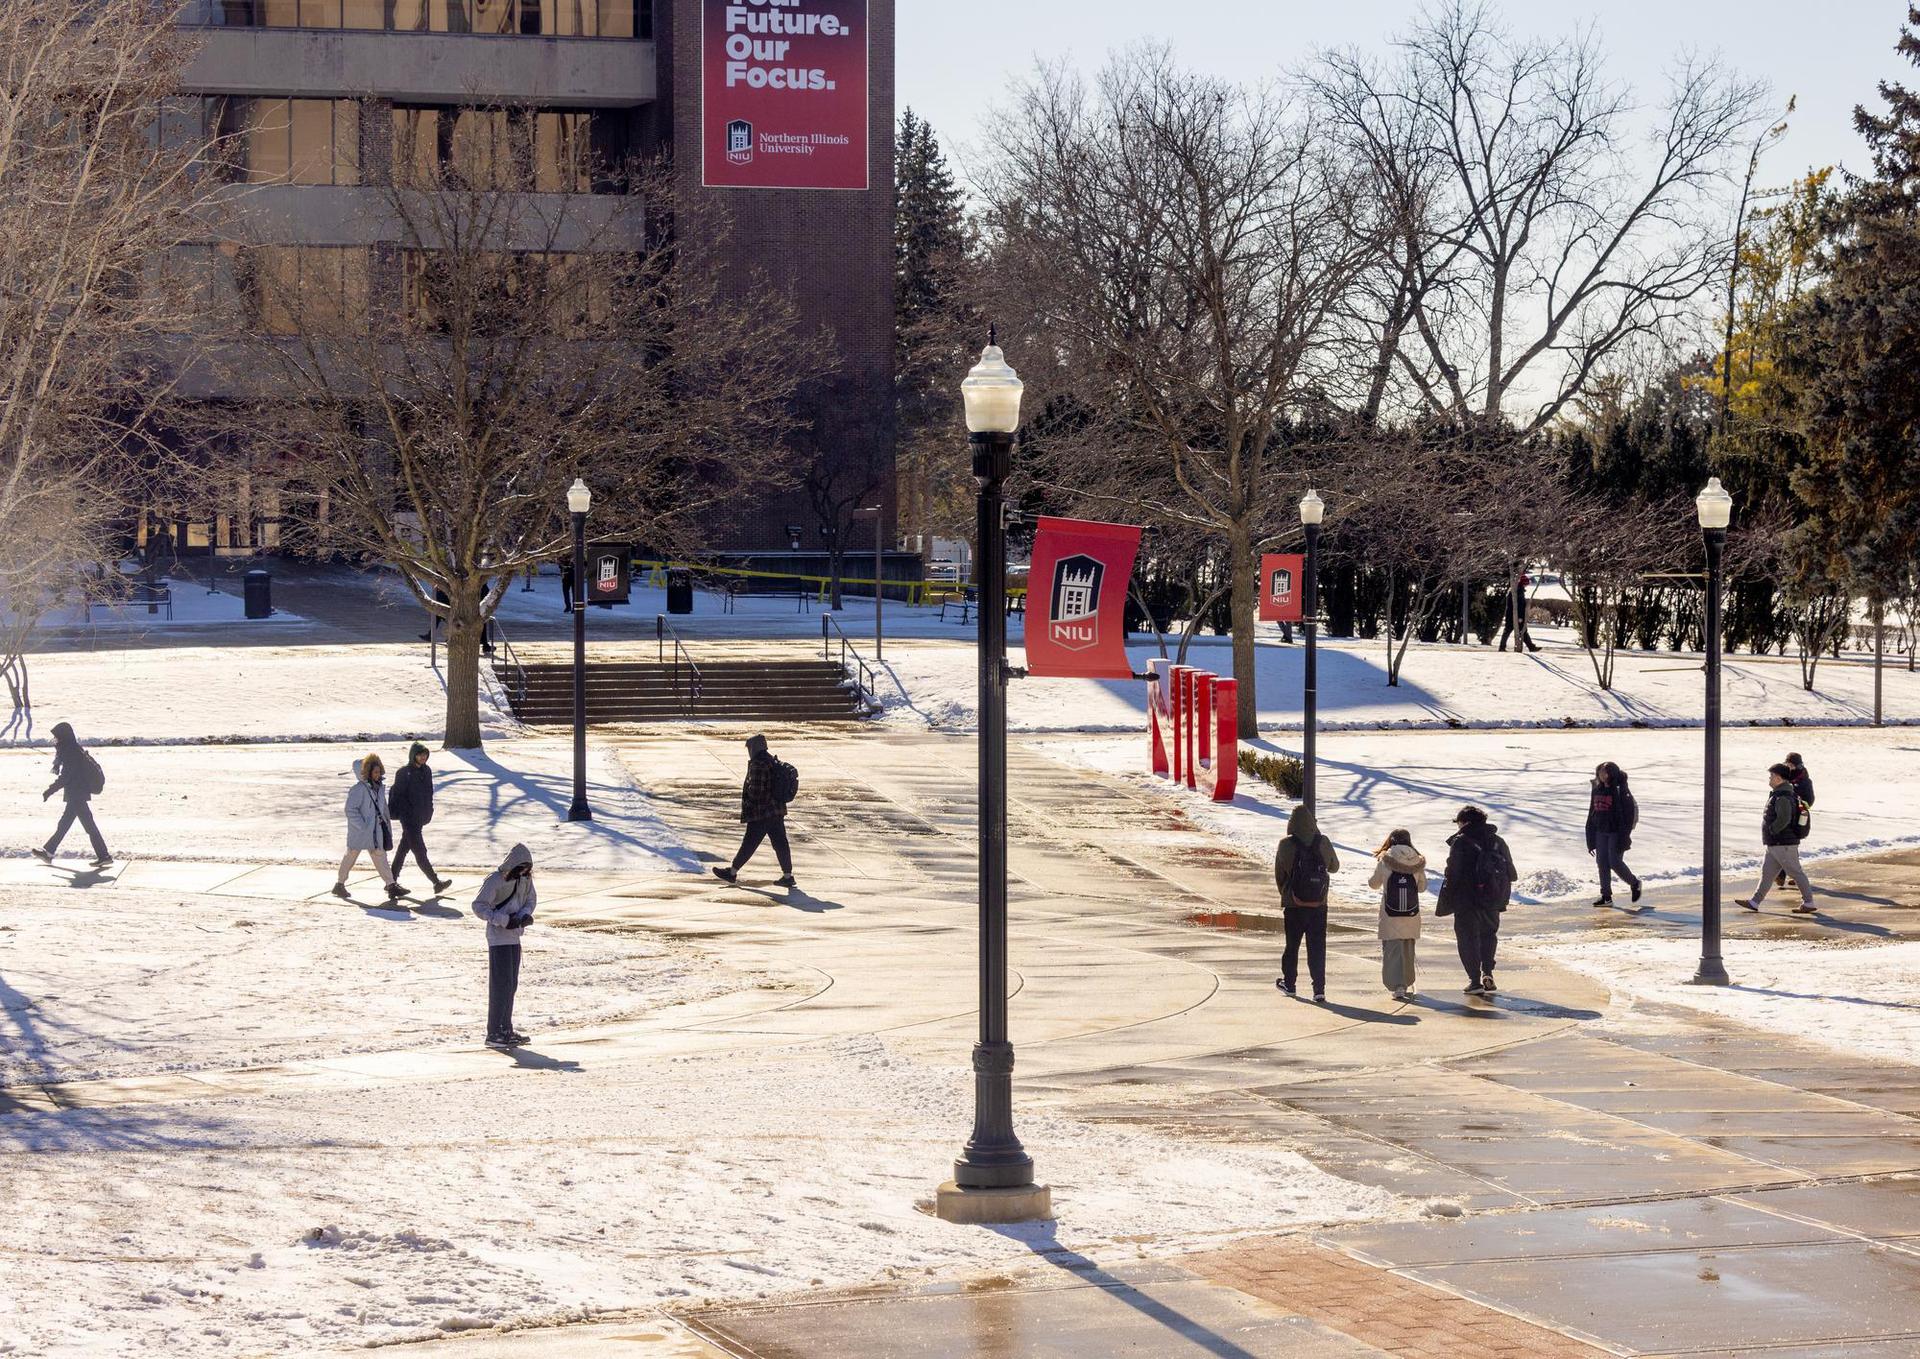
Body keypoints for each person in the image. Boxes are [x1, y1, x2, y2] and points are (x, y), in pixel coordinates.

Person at [1436, 805, 1516, 996]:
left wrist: (1447, 898)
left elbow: (1453, 873)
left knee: (1467, 938)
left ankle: (1474, 980)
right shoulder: (1497, 841)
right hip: (1492, 897)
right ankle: (1487, 972)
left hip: (1467, 899)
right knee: (1488, 934)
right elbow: (1511, 872)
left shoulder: (1461, 842)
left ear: (1465, 822)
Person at [1272, 806, 1340, 1003]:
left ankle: (1290, 983)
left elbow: (1280, 875)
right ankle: (1319, 989)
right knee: (1317, 946)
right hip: (1319, 905)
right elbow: (1334, 867)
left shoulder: (1285, 844)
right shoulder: (1323, 842)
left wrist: (1288, 895)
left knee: (1292, 946)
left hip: (1294, 905)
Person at [472, 844, 536, 1049]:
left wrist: (523, 916)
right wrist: (502, 919)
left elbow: (530, 900)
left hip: (514, 937)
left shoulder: (525, 880)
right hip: (498, 938)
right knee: (500, 985)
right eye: (522, 868)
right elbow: (479, 905)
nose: (525, 872)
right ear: (513, 865)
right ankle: (494, 1032)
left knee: (511, 984)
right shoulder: (495, 880)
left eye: (528, 869)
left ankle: (506, 1028)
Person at [713, 733, 796, 887]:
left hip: (761, 812)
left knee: (749, 843)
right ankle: (788, 875)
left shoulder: (758, 764)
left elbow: (757, 792)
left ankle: (732, 872)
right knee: (780, 843)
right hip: (776, 811)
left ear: (753, 748)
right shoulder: (772, 760)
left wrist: (749, 801)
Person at [31, 722, 111, 868]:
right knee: (65, 824)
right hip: (76, 793)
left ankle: (104, 855)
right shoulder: (71, 749)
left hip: (77, 794)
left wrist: (50, 790)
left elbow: (66, 776)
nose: (55, 739)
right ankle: (48, 851)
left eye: (57, 736)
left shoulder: (70, 751)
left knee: (87, 826)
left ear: (63, 736)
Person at [1739, 762, 1815, 914]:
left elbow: (1784, 818)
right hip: (1775, 843)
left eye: (1772, 775)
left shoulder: (1783, 797)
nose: (1770, 778)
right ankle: (1755, 902)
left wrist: (1773, 831)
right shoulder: (1781, 794)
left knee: (1795, 872)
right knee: (1767, 874)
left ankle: (1809, 902)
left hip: (1783, 843)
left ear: (1779, 778)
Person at [332, 754, 408, 903]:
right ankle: (339, 884)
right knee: (351, 856)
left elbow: (383, 808)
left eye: (379, 772)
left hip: (376, 830)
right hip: (361, 832)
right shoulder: (358, 789)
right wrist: (362, 826)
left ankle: (391, 885)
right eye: (375, 772)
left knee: (381, 857)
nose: (378, 774)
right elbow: (350, 810)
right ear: (367, 772)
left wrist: (386, 822)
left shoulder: (379, 788)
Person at [1368, 828, 1426, 1002]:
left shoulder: (1386, 859)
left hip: (1390, 913)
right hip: (1411, 912)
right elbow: (1422, 887)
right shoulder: (1417, 861)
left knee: (1393, 951)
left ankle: (1397, 986)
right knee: (1408, 949)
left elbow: (1374, 884)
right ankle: (1406, 982)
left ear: (1391, 840)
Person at [388, 742, 451, 895]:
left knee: (403, 850)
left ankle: (391, 883)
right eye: (420, 754)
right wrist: (408, 814)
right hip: (409, 819)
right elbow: (399, 797)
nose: (423, 757)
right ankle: (436, 882)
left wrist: (428, 811)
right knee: (420, 851)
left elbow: (429, 793)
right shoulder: (403, 772)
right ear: (413, 755)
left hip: (420, 818)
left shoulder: (426, 771)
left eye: (425, 754)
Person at [1585, 761, 1642, 906]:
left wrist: (1625, 835)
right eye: (1600, 772)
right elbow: (1592, 812)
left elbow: (1628, 814)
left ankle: (1634, 883)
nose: (1602, 775)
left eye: (1605, 772)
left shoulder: (1619, 789)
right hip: (1600, 831)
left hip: (1616, 831)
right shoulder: (1597, 789)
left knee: (1615, 862)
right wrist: (1590, 836)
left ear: (1612, 773)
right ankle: (1606, 897)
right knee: (1602, 863)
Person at [1775, 753, 1815, 888]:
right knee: (1787, 845)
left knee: (1789, 845)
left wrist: (1797, 802)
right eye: (1787, 764)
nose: (1789, 767)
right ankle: (1793, 875)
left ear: (1798, 765)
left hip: (1797, 818)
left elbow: (1810, 800)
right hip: (1783, 814)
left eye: (1791, 765)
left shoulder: (1804, 780)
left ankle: (1787, 875)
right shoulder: (1784, 776)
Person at [1497, 572, 1541, 653]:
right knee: (1520, 631)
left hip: (1511, 615)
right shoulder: (1518, 592)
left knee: (1510, 631)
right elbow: (1519, 606)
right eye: (1526, 584)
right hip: (1516, 616)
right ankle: (1530, 647)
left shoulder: (1515, 590)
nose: (1527, 585)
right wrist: (1520, 617)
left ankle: (1530, 646)